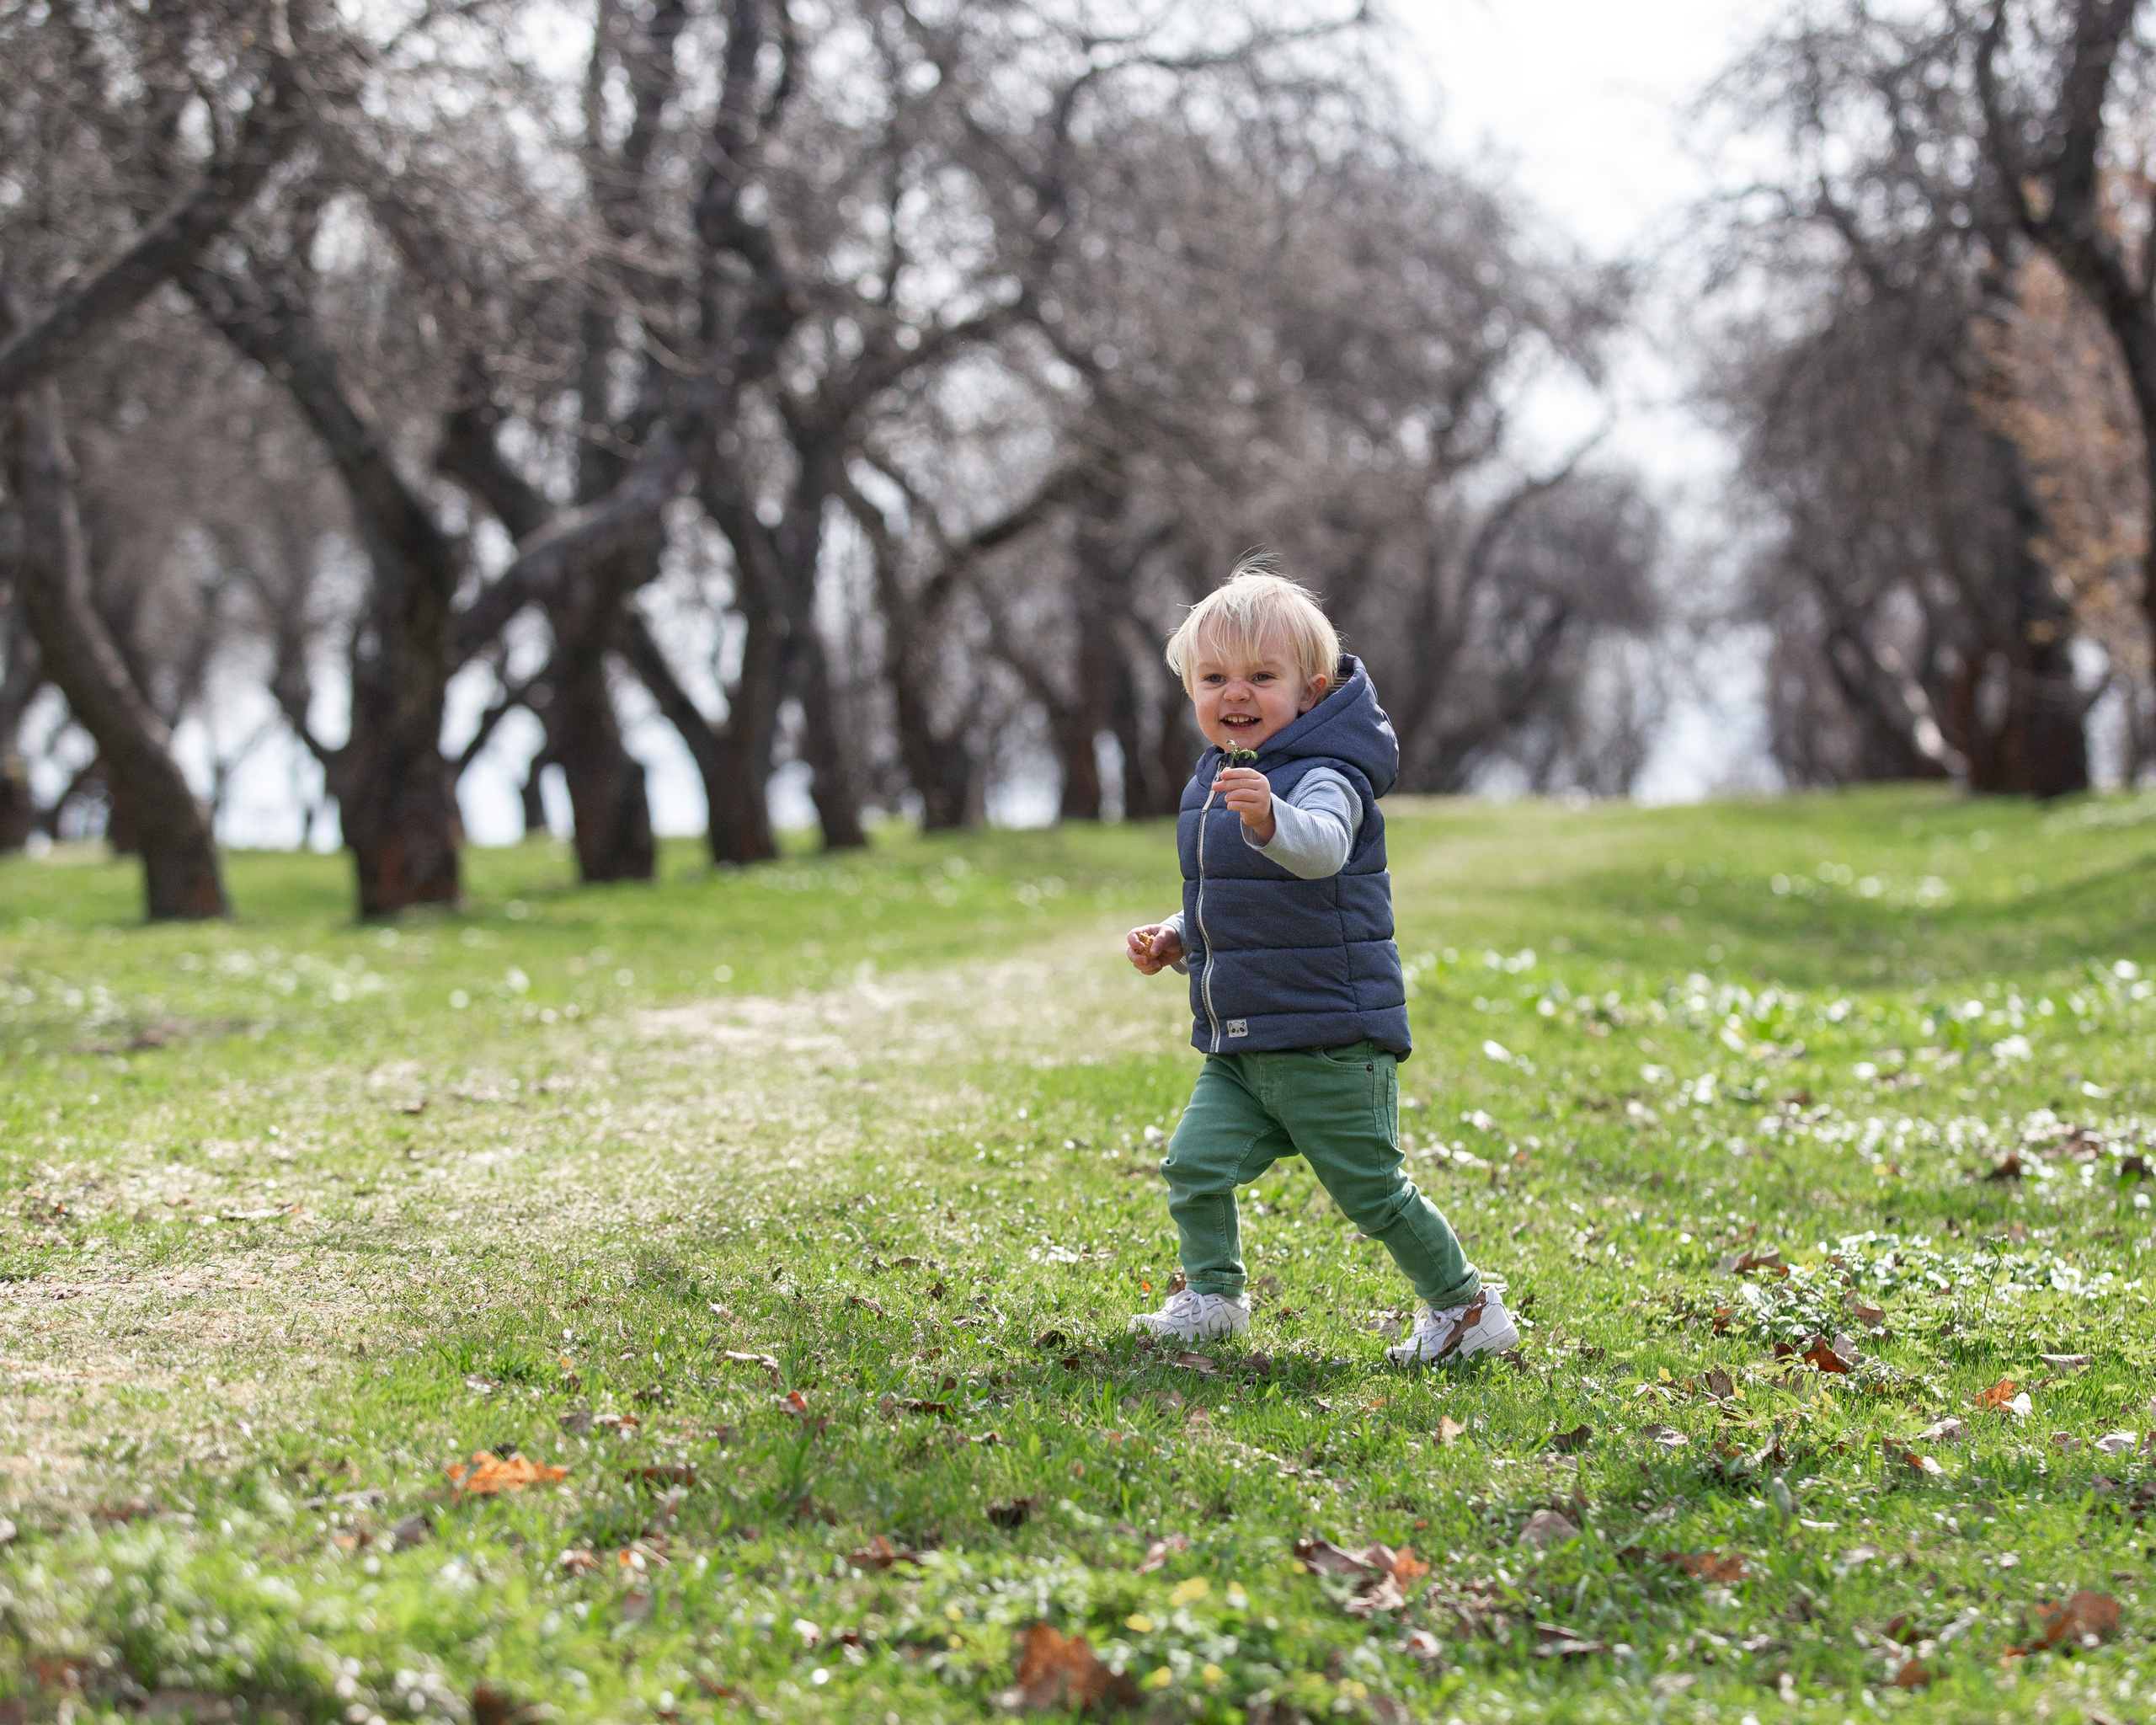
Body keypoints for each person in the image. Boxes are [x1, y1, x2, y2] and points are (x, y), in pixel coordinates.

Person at [1123, 556, 1518, 1365]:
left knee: (1372, 1193)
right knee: (1193, 1166)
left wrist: (1274, 819)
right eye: (1214, 677)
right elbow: (1233, 898)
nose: (1235, 694)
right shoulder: (1217, 779)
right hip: (1242, 1042)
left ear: (1310, 689)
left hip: (1330, 1036)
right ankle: (1213, 1298)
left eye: (1261, 676)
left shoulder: (1327, 776)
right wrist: (1176, 936)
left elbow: (1322, 854)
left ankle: (1467, 1310)